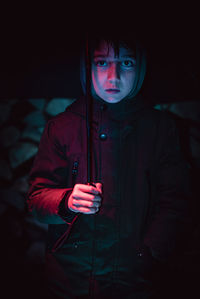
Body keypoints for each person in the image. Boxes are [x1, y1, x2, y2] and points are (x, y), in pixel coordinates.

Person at [27, 32, 191, 298]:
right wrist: (67, 200)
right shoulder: (61, 128)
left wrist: (148, 251)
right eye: (102, 63)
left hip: (136, 278)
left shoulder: (161, 128)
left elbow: (175, 199)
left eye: (126, 63)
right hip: (71, 278)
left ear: (140, 68)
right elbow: (36, 200)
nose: (113, 77)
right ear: (86, 67)